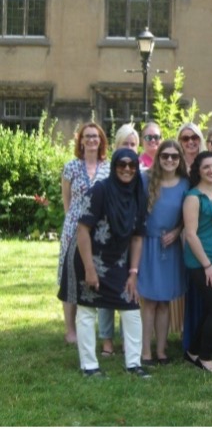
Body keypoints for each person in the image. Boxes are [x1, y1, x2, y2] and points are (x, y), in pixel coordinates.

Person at [58, 148, 150, 378]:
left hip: (119, 261)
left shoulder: (139, 193)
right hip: (90, 257)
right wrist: (89, 269)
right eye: (122, 164)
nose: (127, 169)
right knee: (88, 310)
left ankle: (133, 364)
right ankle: (89, 366)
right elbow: (82, 230)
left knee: (131, 308)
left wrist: (133, 272)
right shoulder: (100, 190)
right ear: (114, 166)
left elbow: (138, 236)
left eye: (132, 165)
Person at [57, 122, 110, 344]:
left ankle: (100, 329)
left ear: (101, 141)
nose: (91, 140)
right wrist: (73, 222)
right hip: (74, 228)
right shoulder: (71, 167)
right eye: (87, 136)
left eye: (95, 136)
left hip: (100, 230)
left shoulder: (108, 167)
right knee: (70, 276)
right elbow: (66, 200)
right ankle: (71, 330)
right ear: (80, 140)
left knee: (97, 273)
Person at [138, 140, 189, 366]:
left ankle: (161, 350)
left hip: (171, 248)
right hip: (148, 245)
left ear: (180, 159)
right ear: (158, 157)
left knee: (165, 302)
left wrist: (178, 231)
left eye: (174, 156)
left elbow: (188, 217)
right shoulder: (145, 179)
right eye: (165, 156)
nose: (169, 160)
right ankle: (145, 351)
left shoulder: (186, 185)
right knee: (149, 301)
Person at [182, 151, 212, 373]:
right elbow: (191, 234)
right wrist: (207, 265)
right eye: (206, 167)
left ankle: (192, 351)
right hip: (201, 261)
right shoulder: (193, 197)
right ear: (198, 171)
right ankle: (204, 356)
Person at [98, 123, 142, 356]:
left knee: (129, 288)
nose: (129, 148)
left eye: (133, 144)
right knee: (107, 292)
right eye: (125, 143)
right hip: (108, 242)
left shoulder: (140, 175)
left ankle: (128, 339)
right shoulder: (108, 173)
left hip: (131, 240)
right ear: (117, 146)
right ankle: (106, 340)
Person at [174, 122, 207, 336]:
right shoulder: (174, 165)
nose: (190, 142)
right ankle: (178, 327)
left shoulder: (206, 164)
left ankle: (195, 328)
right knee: (177, 279)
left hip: (200, 231)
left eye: (194, 137)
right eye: (185, 138)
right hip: (175, 232)